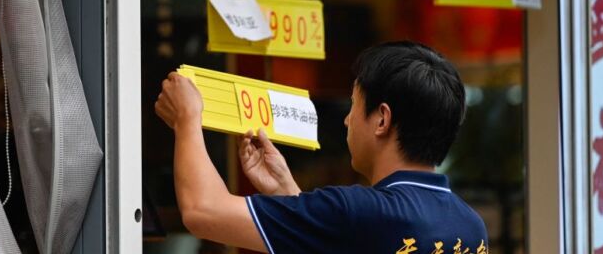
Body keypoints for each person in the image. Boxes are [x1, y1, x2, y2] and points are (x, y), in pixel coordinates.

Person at [155, 41, 489, 253]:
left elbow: (204, 211)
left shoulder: (358, 210)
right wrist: (286, 191)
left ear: (382, 120)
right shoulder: (471, 227)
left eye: (354, 106)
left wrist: (187, 119)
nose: (346, 121)